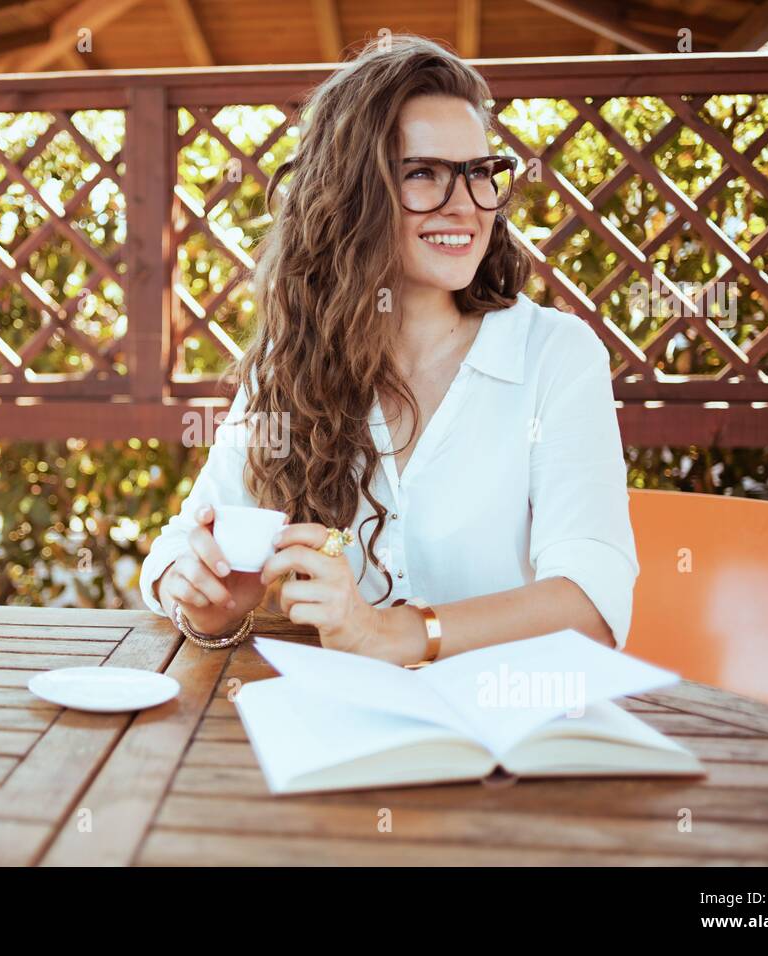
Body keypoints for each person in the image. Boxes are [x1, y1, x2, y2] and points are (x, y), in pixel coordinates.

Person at [138, 33, 639, 667]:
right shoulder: (288, 365)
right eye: (423, 173)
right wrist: (206, 603)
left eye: (479, 173)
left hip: (511, 735)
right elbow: (181, 547)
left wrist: (388, 633)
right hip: (338, 727)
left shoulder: (555, 356)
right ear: (352, 196)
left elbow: (591, 605)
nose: (465, 205)